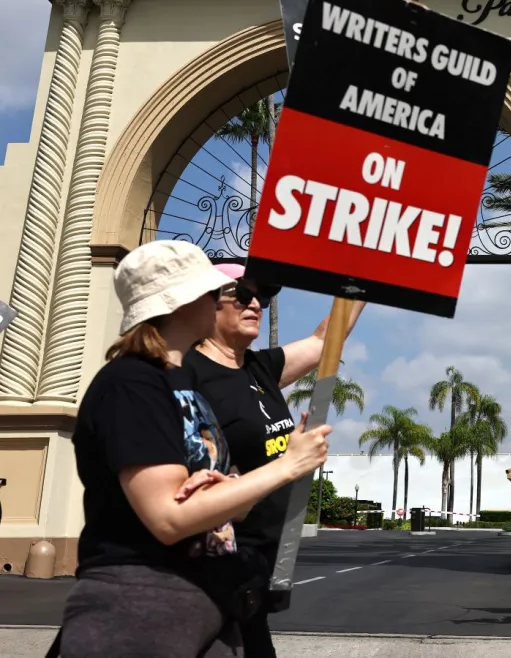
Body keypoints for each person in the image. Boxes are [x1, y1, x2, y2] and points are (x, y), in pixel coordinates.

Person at [57, 240, 332, 658]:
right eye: (215, 292)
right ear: (182, 302)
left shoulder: (178, 381)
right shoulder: (131, 384)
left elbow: (195, 498)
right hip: (141, 602)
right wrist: (287, 466)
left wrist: (225, 490)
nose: (249, 302)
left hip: (206, 594)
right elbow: (168, 518)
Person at [183, 262, 365, 658]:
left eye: (262, 297)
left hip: (259, 562)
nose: (256, 305)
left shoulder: (259, 367)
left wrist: (364, 276)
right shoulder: (187, 374)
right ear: (206, 304)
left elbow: (325, 339)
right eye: (242, 295)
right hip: (216, 563)